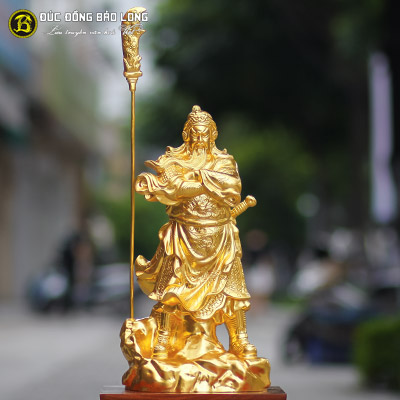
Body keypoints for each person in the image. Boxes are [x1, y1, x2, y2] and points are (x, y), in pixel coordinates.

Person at [135, 105, 256, 359]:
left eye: (204, 134)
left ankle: (239, 338)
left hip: (220, 234)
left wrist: (196, 177)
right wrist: (209, 183)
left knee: (232, 290)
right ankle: (164, 338)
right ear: (187, 135)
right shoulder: (173, 161)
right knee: (172, 289)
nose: (200, 139)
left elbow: (233, 187)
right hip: (183, 233)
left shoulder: (224, 161)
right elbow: (174, 189)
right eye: (195, 134)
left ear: (213, 134)